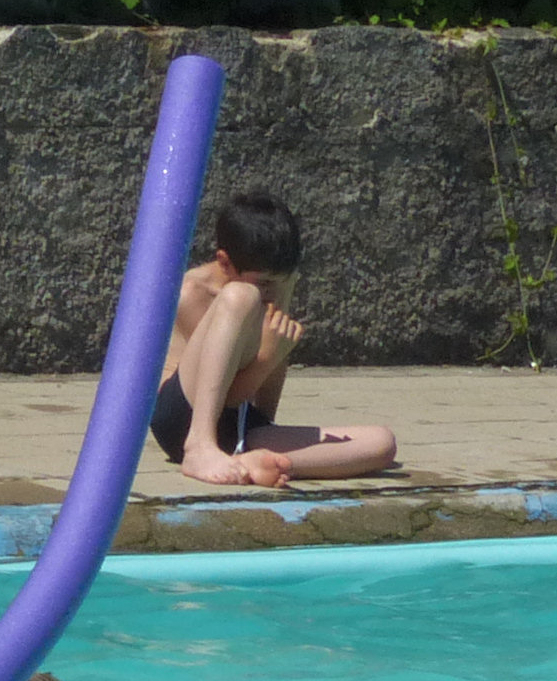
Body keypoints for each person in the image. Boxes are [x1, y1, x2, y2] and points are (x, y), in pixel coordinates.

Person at [148, 191, 397, 488]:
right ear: (225, 263)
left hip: (236, 422)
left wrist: (266, 427)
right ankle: (200, 447)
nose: (273, 293)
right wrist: (268, 358)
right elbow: (228, 395)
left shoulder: (273, 286)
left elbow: (256, 406)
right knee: (241, 295)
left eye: (283, 281)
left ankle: (250, 462)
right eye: (266, 282)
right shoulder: (193, 294)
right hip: (183, 419)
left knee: (382, 443)